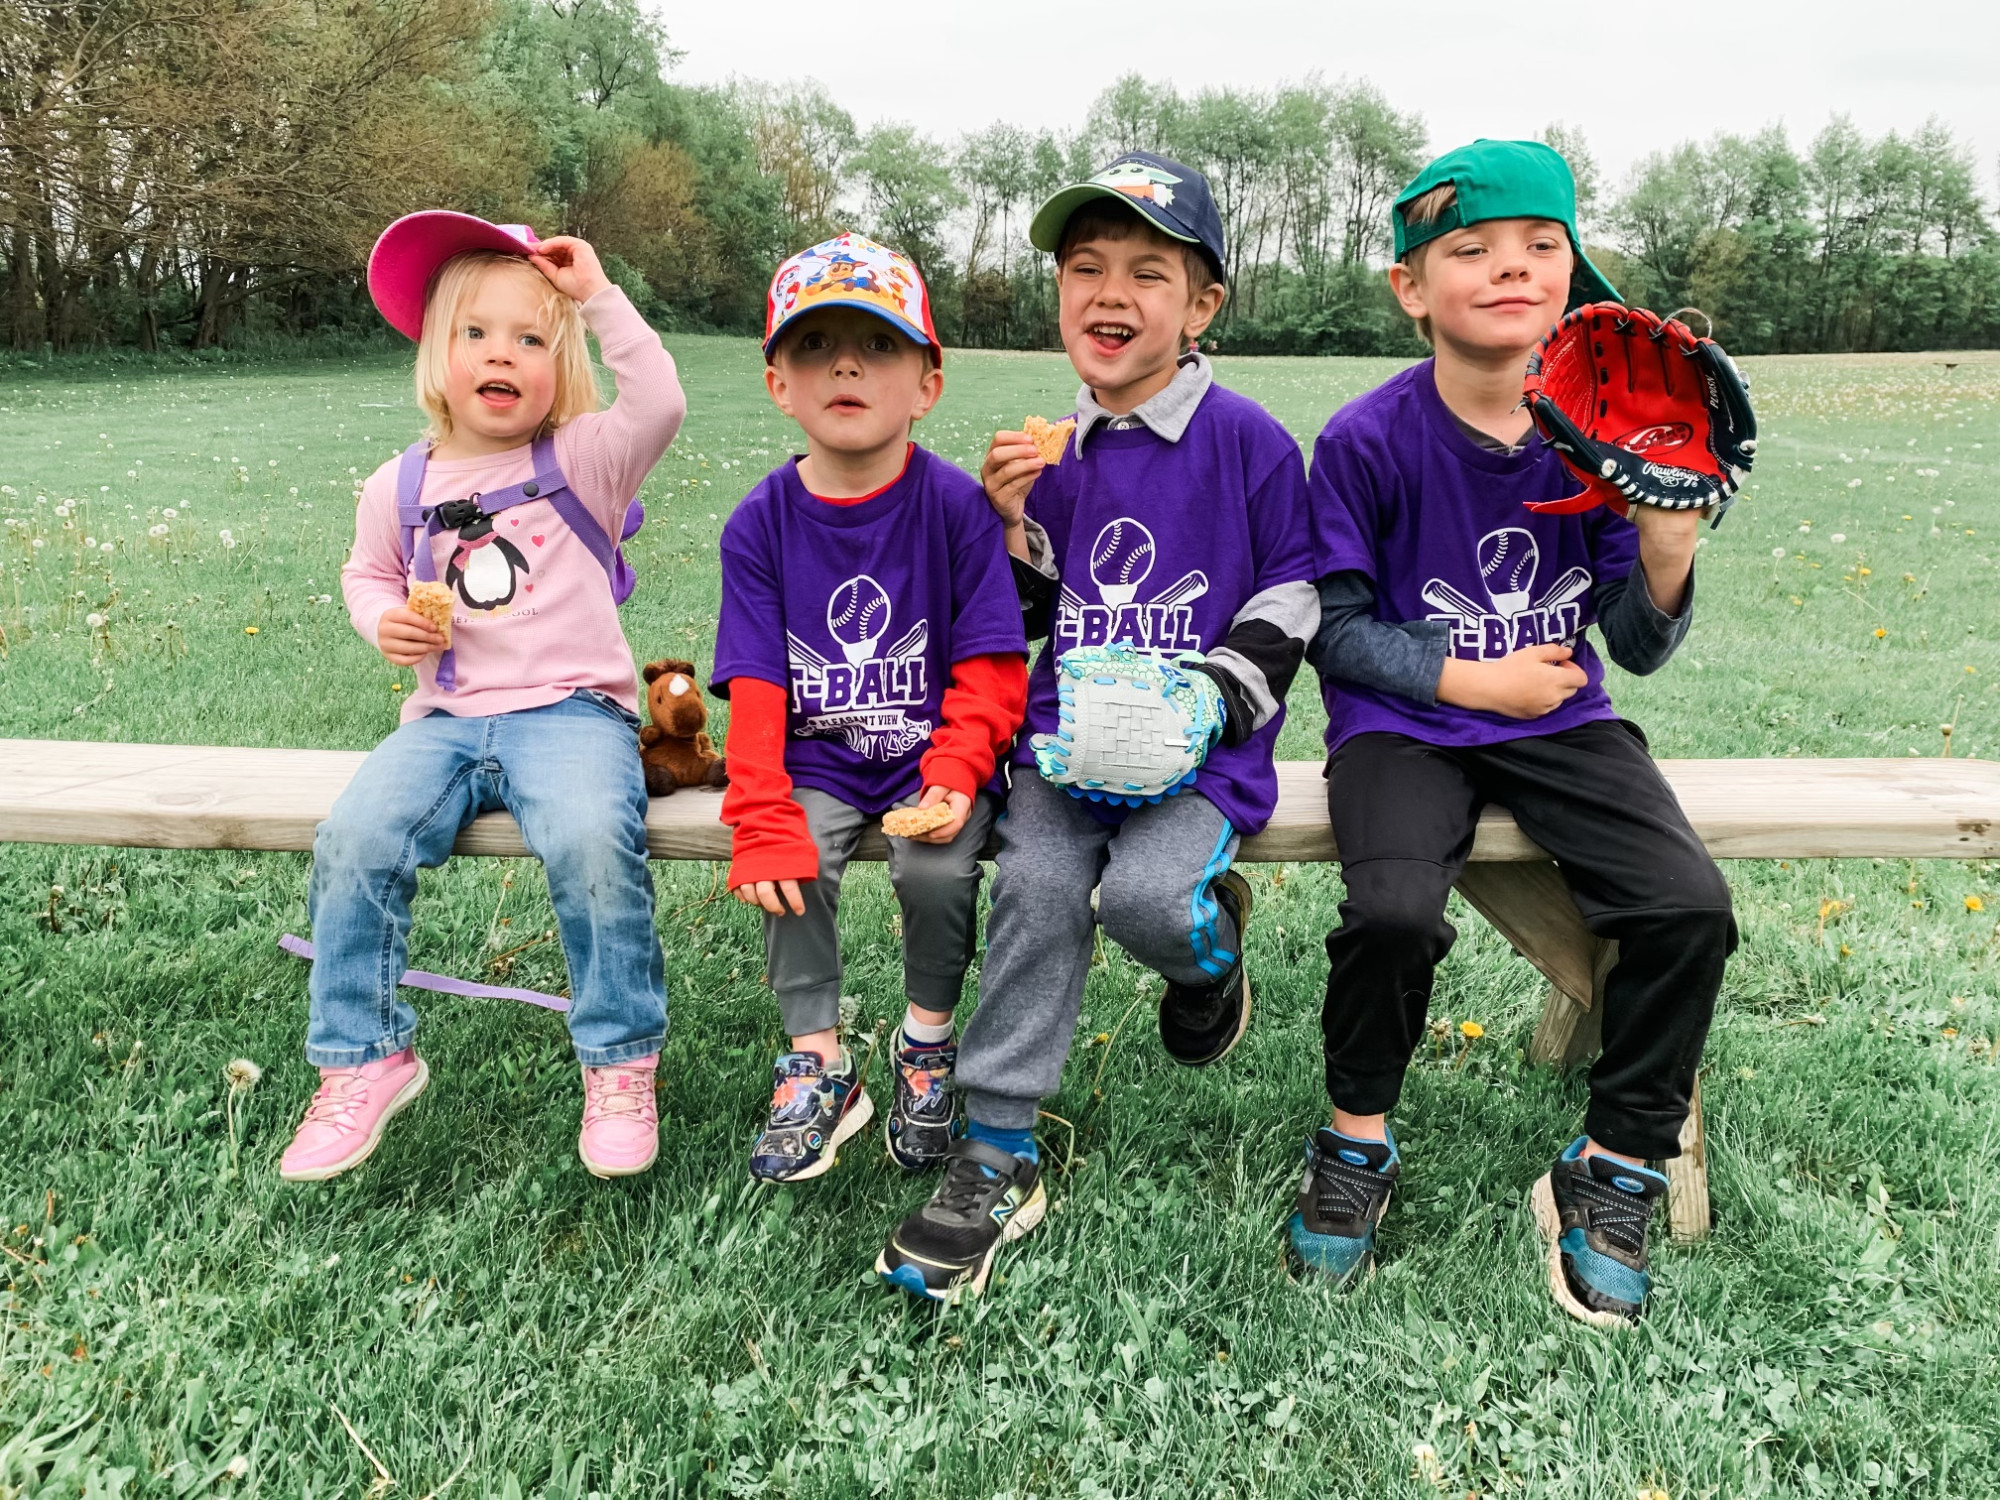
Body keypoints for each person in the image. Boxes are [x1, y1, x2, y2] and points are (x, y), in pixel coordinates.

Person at [1295, 139, 1737, 1326]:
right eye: (1470, 249)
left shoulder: (1597, 435)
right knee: (1390, 913)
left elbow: (1634, 645)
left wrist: (1667, 544)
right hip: (1405, 724)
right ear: (1410, 285)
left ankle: (1614, 1162)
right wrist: (1467, 679)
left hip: (1560, 716)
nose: (1510, 268)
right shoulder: (1363, 440)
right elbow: (1330, 631)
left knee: (1687, 905)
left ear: (1570, 272)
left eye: (1540, 246)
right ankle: (1356, 1144)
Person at [875, 153, 1317, 1302]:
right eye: (1085, 268)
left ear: (1201, 304)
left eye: (1147, 272)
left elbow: (1291, 593)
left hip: (1194, 762)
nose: (1109, 293)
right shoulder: (1049, 455)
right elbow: (1017, 618)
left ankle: (1208, 963)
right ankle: (997, 1148)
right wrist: (1009, 523)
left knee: (1142, 900)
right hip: (1064, 751)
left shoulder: (1250, 442)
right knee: (1031, 893)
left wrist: (1209, 701)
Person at [280, 214, 682, 1183]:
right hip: (447, 721)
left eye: (530, 338)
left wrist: (596, 294)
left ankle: (619, 1062)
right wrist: (384, 623)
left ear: (561, 365)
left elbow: (661, 401)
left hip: (572, 714)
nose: (501, 352)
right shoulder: (401, 482)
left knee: (592, 840)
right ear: (437, 355)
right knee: (355, 838)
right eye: (476, 334)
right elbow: (366, 574)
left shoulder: (582, 460)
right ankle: (364, 1058)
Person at [715, 234, 1029, 1185]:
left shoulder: (957, 510)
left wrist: (952, 776)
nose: (846, 364)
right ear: (779, 383)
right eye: (816, 346)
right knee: (792, 858)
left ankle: (925, 1046)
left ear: (926, 383)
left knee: (937, 873)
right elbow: (761, 687)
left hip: (930, 760)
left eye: (878, 345)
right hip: (818, 762)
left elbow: (989, 666)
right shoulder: (759, 523)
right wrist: (761, 816)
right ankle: (818, 1062)